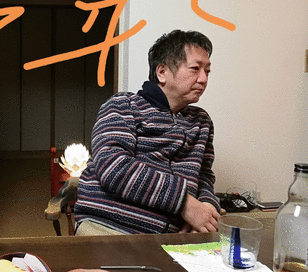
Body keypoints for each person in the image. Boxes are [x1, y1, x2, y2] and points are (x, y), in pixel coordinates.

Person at [74, 29, 221, 235]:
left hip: (172, 238)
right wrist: (185, 204)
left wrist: (206, 210)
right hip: (109, 227)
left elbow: (204, 176)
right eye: (195, 69)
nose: (203, 79)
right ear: (162, 72)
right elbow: (113, 167)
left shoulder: (201, 122)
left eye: (207, 71)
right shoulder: (123, 105)